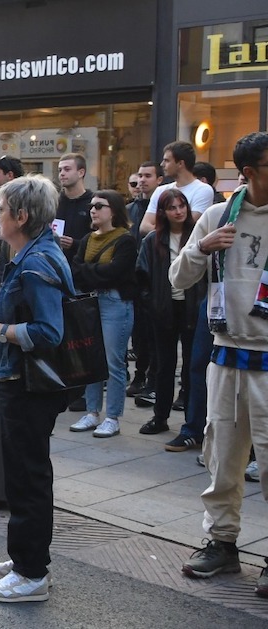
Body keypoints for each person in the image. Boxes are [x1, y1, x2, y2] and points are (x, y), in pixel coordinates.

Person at [0, 174, 76, 603]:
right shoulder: (33, 253)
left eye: (2, 210)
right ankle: (26, 557)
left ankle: (32, 574)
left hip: (30, 387)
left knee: (27, 478)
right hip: (24, 383)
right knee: (25, 475)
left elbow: (49, 330)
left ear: (21, 216)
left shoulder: (36, 260)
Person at [169, 132, 268, 598]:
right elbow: (178, 278)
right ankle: (222, 542)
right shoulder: (216, 215)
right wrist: (201, 247)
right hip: (226, 355)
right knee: (222, 459)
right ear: (248, 173)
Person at [65, 190, 138, 438]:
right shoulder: (87, 239)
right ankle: (92, 412)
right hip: (91, 302)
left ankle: (112, 417)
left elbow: (116, 272)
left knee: (113, 362)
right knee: (91, 359)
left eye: (99, 206)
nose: (93, 210)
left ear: (114, 211)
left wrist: (90, 271)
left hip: (115, 304)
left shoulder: (125, 240)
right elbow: (76, 271)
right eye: (92, 206)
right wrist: (96, 271)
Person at [136, 189, 203, 437]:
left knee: (192, 366)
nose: (179, 211)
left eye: (182, 205)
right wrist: (152, 304)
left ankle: (192, 420)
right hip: (163, 309)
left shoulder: (198, 236)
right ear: (163, 212)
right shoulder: (152, 240)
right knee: (164, 365)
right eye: (173, 207)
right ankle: (160, 416)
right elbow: (141, 277)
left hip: (192, 308)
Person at [127, 161, 165, 398]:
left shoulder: (166, 207)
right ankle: (140, 375)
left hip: (156, 276)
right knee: (139, 331)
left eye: (147, 176)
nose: (141, 180)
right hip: (133, 276)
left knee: (154, 332)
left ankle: (152, 380)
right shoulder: (131, 208)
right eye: (139, 176)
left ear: (159, 180)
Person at [140, 141, 214, 236]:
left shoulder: (203, 190)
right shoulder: (160, 190)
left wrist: (159, 230)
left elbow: (188, 226)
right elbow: (144, 227)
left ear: (180, 163)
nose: (162, 164)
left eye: (167, 160)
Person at [55, 153, 94, 260]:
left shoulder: (93, 202)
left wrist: (75, 244)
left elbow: (101, 238)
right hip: (54, 264)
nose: (62, 174)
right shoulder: (53, 201)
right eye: (60, 170)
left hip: (83, 266)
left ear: (81, 172)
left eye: (67, 169)